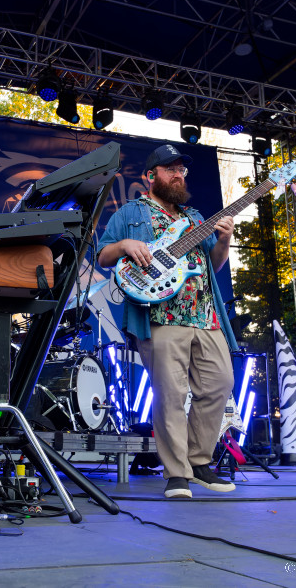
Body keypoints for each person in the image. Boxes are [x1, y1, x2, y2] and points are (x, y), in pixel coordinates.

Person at [97, 143, 238, 498]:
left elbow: (215, 265)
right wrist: (127, 243)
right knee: (172, 394)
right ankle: (177, 473)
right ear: (151, 176)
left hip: (205, 316)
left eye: (182, 170)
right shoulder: (131, 213)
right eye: (170, 169)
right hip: (160, 316)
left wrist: (225, 239)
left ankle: (200, 461)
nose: (178, 175)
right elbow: (103, 255)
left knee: (219, 385)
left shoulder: (194, 219)